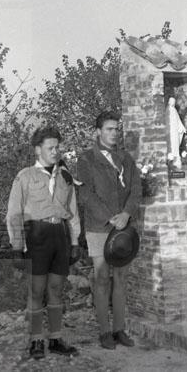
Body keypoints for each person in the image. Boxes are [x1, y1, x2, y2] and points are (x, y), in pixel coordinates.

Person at [6, 126, 81, 360]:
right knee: (36, 290)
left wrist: (75, 242)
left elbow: (73, 212)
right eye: (50, 147)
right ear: (38, 149)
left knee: (56, 288)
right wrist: (17, 246)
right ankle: (36, 339)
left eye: (57, 147)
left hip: (59, 235)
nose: (55, 151)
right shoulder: (25, 176)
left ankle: (56, 338)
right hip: (36, 236)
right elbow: (14, 213)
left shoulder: (65, 176)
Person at [76, 111, 142, 349]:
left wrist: (126, 214)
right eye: (109, 129)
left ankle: (119, 329)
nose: (114, 133)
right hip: (99, 227)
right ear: (98, 131)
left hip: (124, 228)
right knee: (102, 278)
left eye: (116, 129)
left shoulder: (126, 158)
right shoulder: (86, 159)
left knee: (121, 278)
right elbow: (85, 194)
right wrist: (109, 217)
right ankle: (105, 331)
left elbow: (136, 190)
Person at [166, 96, 186, 169]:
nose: (173, 103)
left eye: (174, 102)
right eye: (172, 101)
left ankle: (176, 160)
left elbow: (178, 121)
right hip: (171, 131)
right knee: (171, 145)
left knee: (176, 144)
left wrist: (182, 128)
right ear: (169, 102)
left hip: (175, 131)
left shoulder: (174, 110)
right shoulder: (168, 110)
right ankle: (171, 160)